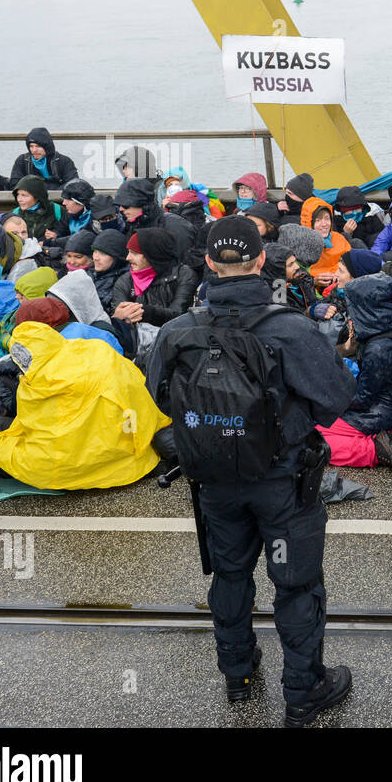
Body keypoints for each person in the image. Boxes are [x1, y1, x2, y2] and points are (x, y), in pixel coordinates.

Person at [146, 216, 356, 727]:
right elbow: (335, 400)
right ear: (262, 261)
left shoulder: (177, 332)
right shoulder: (291, 328)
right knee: (296, 583)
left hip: (215, 481)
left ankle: (238, 675)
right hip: (283, 481)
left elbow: (158, 394)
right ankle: (304, 690)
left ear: (210, 263)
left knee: (230, 572)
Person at [318, 273, 392, 473]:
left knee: (316, 437)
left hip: (380, 411)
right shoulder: (383, 331)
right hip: (383, 405)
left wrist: (330, 404)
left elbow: (364, 398)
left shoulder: (379, 349)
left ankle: (373, 450)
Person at [8, 128, 79, 188]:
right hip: (32, 200)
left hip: (59, 199)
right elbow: (14, 184)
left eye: (38, 146)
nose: (34, 150)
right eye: (31, 146)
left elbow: (73, 183)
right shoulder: (22, 160)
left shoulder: (64, 161)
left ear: (47, 147)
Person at [10, 176, 64, 241]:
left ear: (37, 196)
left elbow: (68, 234)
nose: (19, 199)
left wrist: (57, 236)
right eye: (18, 194)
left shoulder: (57, 210)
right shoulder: (14, 214)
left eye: (24, 195)